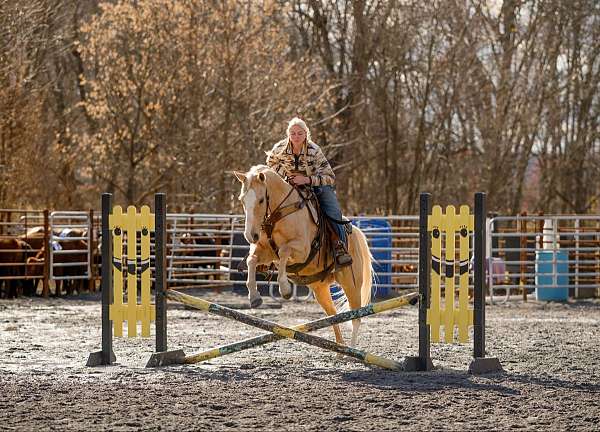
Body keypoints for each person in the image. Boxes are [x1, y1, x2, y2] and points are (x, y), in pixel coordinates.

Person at [266, 117, 352, 268]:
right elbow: (270, 162)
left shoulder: (314, 150)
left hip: (314, 185)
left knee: (333, 211)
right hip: (287, 185)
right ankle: (263, 247)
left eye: (300, 133)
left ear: (306, 134)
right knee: (264, 205)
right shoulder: (279, 148)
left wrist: (306, 180)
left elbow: (330, 177)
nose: (296, 137)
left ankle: (339, 246)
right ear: (288, 134)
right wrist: (286, 176)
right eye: (293, 133)